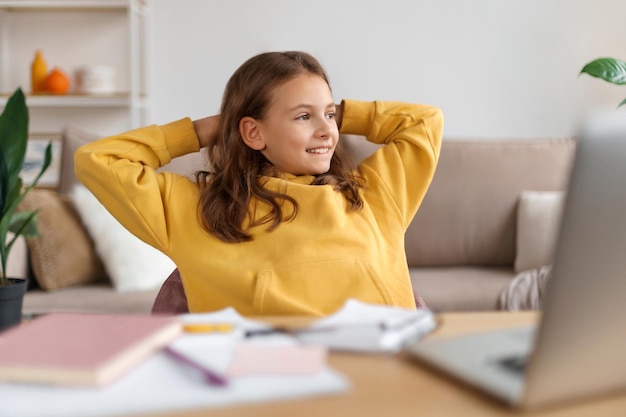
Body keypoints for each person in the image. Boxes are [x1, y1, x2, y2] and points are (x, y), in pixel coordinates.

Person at [75, 51, 444, 316]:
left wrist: (336, 112)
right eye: (303, 116)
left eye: (329, 115)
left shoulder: (373, 192)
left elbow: (425, 123)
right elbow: (98, 159)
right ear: (252, 131)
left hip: (381, 377)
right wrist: (206, 130)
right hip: (267, 384)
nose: (326, 131)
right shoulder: (196, 209)